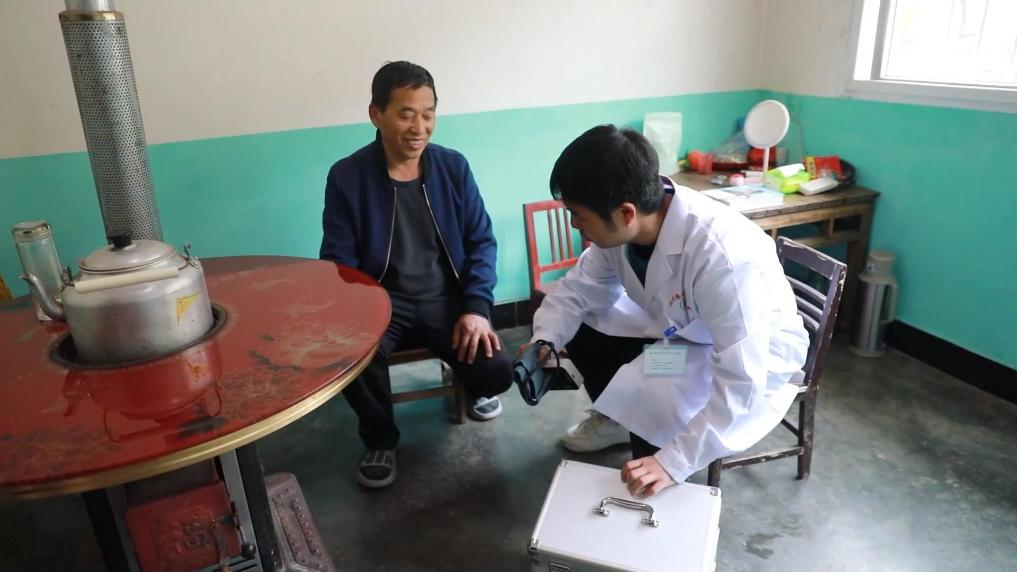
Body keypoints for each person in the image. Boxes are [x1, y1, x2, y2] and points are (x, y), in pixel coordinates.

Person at [526, 125, 810, 497]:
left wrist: (674, 461)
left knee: (654, 401)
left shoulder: (723, 256)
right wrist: (545, 338)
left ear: (625, 213)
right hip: (686, 339)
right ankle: (617, 417)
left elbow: (742, 378)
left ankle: (657, 463)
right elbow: (579, 290)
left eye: (578, 214)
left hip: (748, 359)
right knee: (584, 329)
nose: (573, 224)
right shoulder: (624, 230)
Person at [320, 61, 513, 489]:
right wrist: (360, 317)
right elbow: (337, 260)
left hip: (446, 299)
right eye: (406, 114)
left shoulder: (453, 168)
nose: (419, 127)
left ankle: (473, 386)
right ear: (376, 114)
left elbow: (482, 242)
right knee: (348, 358)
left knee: (498, 371)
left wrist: (476, 308)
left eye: (428, 114)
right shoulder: (347, 177)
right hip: (382, 303)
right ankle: (379, 439)